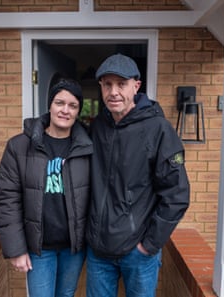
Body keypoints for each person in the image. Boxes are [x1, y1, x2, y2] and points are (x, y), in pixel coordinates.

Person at [85, 53, 190, 297]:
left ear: (136, 86)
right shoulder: (97, 127)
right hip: (99, 251)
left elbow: (177, 195)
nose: (114, 92)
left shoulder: (158, 130)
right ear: (100, 87)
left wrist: (149, 245)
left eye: (121, 84)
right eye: (107, 84)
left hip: (138, 251)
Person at [0, 78, 92, 297]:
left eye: (73, 105)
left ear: (78, 111)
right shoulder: (20, 146)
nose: (65, 110)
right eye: (60, 103)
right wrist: (16, 249)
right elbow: (7, 199)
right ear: (49, 105)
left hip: (73, 248)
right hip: (39, 248)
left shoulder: (87, 148)